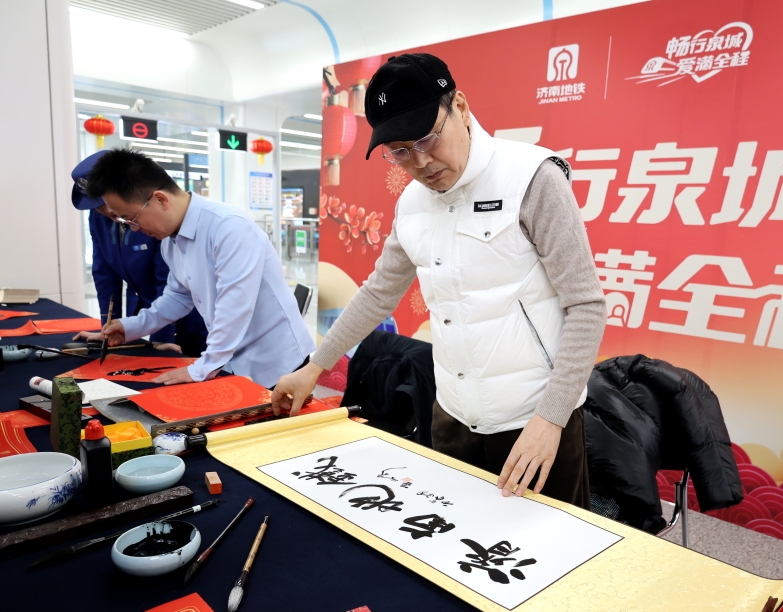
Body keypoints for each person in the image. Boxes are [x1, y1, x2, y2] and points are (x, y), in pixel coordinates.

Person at [272, 54, 606, 509]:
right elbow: (378, 293)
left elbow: (586, 306)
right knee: (453, 538)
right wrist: (315, 366)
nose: (421, 161)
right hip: (451, 416)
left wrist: (551, 418)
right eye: (400, 151)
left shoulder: (532, 178)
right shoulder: (412, 204)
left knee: (548, 549)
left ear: (460, 108)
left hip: (535, 423)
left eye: (428, 139)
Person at [86, 149, 316, 388]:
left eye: (131, 218)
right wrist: (131, 327)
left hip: (276, 364)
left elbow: (234, 306)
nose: (134, 228)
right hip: (231, 360)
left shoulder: (229, 228)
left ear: (161, 199)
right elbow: (177, 297)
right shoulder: (170, 243)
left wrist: (204, 366)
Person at [70, 151, 208, 356]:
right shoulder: (98, 218)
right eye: (98, 206)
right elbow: (104, 274)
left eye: (106, 203)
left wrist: (160, 340)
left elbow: (168, 283)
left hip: (185, 320)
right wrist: (109, 329)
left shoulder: (152, 217)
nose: (107, 211)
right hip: (146, 315)